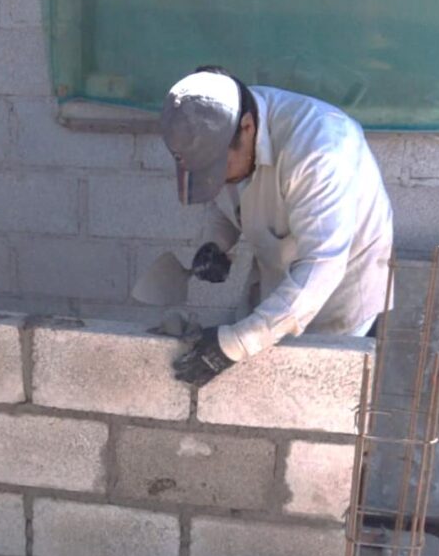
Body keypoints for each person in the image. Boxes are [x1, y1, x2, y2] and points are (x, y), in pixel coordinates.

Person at [161, 66, 393, 387]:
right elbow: (224, 196)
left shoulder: (320, 152)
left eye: (219, 169)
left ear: (246, 127)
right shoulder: (224, 130)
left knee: (313, 409)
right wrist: (215, 242)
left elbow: (321, 266)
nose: (218, 178)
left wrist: (236, 344)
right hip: (279, 280)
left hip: (336, 303)